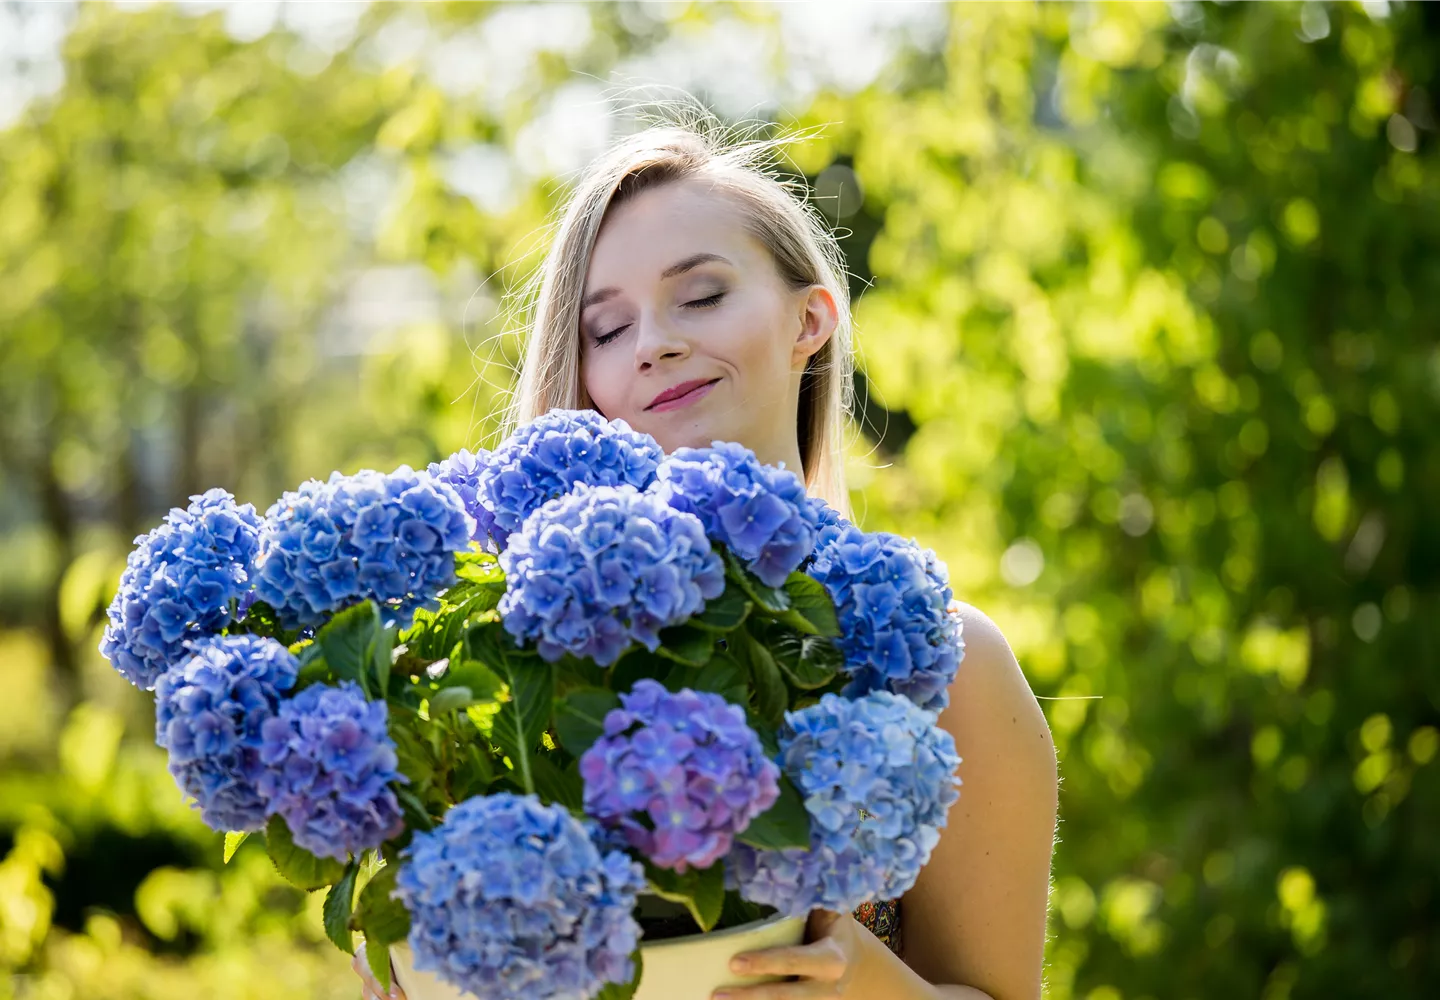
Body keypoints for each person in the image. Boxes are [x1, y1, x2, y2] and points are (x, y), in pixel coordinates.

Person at [354, 105, 1058, 1000]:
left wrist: (866, 990)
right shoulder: (483, 678)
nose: (654, 343)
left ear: (811, 320)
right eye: (606, 330)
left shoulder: (950, 668)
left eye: (700, 295)